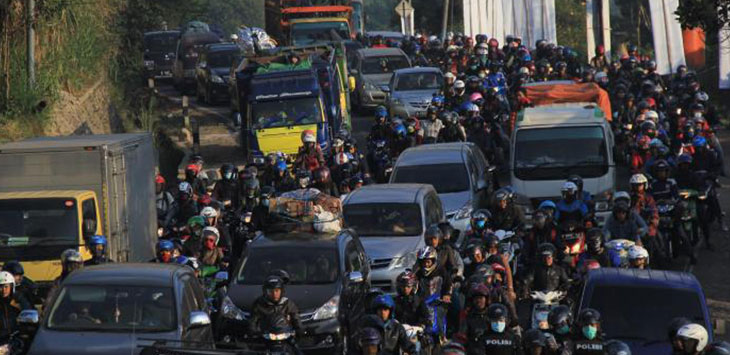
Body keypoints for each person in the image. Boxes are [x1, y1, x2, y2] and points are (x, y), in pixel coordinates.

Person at [0, 271, 31, 340]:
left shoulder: (19, 299)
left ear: (11, 287)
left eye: (6, 286)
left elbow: (29, 316)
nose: (3, 290)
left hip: (17, 338)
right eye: (0, 287)